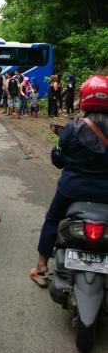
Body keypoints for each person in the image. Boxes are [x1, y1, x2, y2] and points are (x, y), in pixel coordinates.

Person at [30, 75, 108, 288]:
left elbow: (57, 158)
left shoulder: (73, 128)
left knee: (53, 220)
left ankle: (41, 267)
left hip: (72, 189)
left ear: (84, 98)